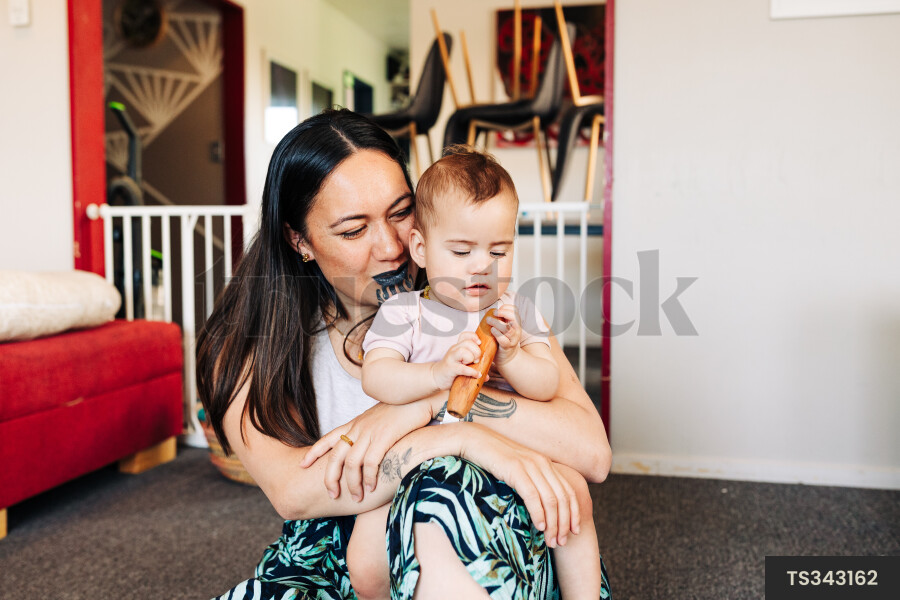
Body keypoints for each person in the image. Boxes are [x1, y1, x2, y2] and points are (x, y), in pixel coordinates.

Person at [196, 108, 612, 600]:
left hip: (473, 523)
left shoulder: (475, 301)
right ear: (299, 239)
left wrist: (435, 406)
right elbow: (293, 493)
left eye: (400, 213)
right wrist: (461, 440)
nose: (392, 247)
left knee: (437, 498)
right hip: (332, 549)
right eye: (353, 230)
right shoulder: (246, 344)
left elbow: (592, 452)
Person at [337, 147, 603, 599]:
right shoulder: (406, 312)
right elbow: (377, 378)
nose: (482, 264)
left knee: (574, 492)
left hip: (508, 453)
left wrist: (514, 356)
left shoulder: (515, 312)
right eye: (461, 250)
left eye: (498, 250)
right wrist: (437, 375)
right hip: (419, 458)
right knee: (362, 560)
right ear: (420, 248)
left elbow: (547, 386)